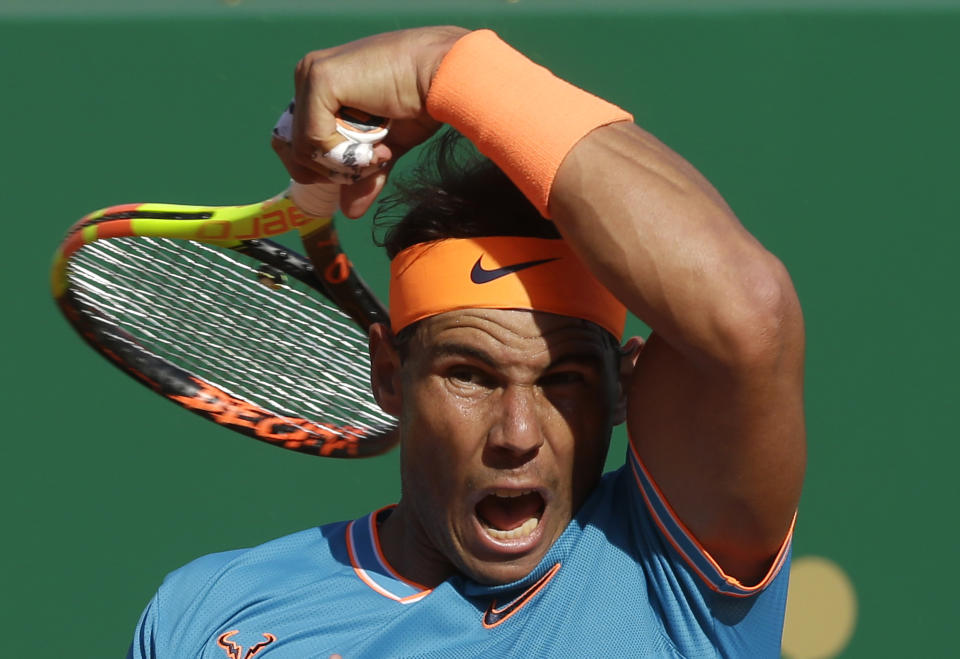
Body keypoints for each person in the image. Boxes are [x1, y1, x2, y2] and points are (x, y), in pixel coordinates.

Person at [129, 27, 805, 658]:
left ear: (621, 387)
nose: (517, 433)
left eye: (563, 378)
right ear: (390, 372)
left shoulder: (674, 573)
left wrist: (449, 67)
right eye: (471, 375)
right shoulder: (207, 610)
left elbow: (752, 312)